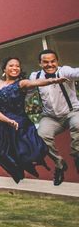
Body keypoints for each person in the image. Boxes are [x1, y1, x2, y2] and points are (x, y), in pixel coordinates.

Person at [0, 57, 63, 184]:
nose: (15, 68)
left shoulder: (22, 83)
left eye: (17, 66)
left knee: (29, 152)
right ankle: (19, 171)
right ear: (4, 68)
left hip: (20, 124)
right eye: (11, 65)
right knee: (6, 155)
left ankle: (59, 165)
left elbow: (37, 83)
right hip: (5, 125)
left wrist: (54, 80)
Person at [28, 49, 79, 186]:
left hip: (72, 113)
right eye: (45, 62)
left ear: (57, 62)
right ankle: (59, 164)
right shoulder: (36, 76)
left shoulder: (64, 71)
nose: (50, 64)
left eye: (52, 61)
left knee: (78, 124)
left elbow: (76, 73)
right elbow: (26, 93)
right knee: (40, 136)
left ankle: (77, 156)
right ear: (40, 63)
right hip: (50, 117)